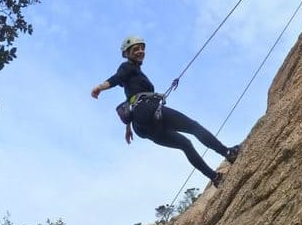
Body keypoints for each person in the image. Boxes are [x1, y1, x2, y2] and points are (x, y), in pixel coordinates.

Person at [91, 36, 240, 187]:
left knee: (185, 144)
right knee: (193, 127)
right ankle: (228, 153)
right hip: (147, 110)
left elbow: (129, 101)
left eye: (142, 48)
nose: (140, 51)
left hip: (142, 126)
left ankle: (215, 178)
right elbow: (116, 78)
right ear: (126, 53)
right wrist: (100, 87)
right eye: (135, 49)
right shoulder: (126, 67)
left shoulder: (133, 76)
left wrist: (128, 128)